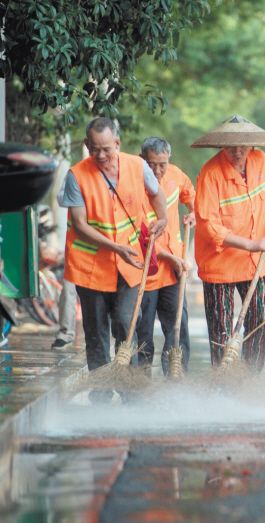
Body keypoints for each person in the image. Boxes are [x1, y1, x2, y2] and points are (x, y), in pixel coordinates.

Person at [58, 117, 167, 379]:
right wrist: (115, 247)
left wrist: (162, 218)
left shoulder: (138, 166)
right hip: (90, 267)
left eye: (107, 148)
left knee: (126, 319)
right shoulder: (76, 175)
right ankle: (101, 393)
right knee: (96, 334)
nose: (101, 154)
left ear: (117, 143)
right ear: (87, 145)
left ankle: (131, 388)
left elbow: (155, 193)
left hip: (129, 264)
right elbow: (80, 224)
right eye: (95, 148)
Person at [193, 115, 265, 370]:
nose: (238, 151)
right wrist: (251, 245)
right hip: (219, 265)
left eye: (243, 146)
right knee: (221, 328)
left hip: (257, 263)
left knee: (260, 319)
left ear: (252, 146)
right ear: (222, 145)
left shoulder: (261, 161)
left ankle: (250, 378)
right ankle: (223, 380)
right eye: (232, 146)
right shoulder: (210, 174)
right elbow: (209, 227)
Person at [135, 137, 196, 375]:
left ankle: (177, 374)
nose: (158, 171)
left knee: (177, 328)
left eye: (163, 164)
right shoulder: (134, 186)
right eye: (152, 164)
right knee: (144, 331)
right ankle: (140, 380)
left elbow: (193, 198)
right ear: (142, 161)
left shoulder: (177, 176)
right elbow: (141, 235)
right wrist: (172, 258)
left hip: (173, 273)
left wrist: (193, 213)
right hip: (147, 272)